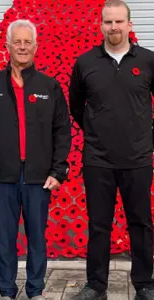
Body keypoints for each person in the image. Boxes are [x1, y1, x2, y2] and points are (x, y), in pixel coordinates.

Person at [0, 19, 71, 300]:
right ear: (8, 45)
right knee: (5, 239)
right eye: (18, 41)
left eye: (28, 42)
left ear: (35, 47)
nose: (22, 47)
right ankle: (6, 291)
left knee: (37, 238)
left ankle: (35, 290)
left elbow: (62, 131)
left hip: (39, 177)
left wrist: (58, 170)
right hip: (2, 176)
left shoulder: (49, 86)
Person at [69, 1, 154, 300]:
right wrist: (96, 131)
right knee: (98, 225)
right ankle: (96, 286)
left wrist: (146, 136)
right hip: (98, 160)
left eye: (119, 21)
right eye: (108, 22)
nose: (114, 27)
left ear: (130, 25)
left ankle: (144, 283)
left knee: (141, 223)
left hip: (138, 159)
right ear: (101, 25)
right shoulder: (85, 63)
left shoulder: (147, 61)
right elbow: (76, 106)